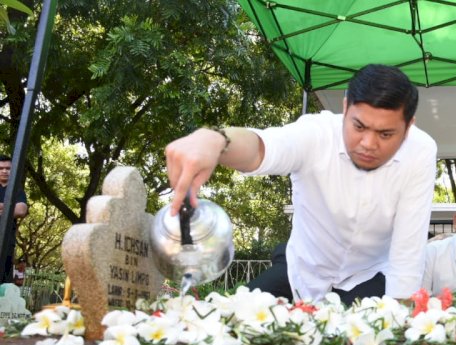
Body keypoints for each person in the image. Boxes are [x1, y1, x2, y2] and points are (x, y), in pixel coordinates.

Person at [165, 64, 437, 305]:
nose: (368, 144)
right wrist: (216, 140)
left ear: (408, 126)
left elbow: (407, 252)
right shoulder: (316, 133)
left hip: (371, 275)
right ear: (345, 108)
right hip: (301, 268)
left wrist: (401, 321)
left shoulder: (420, 152)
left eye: (385, 134)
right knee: (234, 317)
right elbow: (261, 149)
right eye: (359, 127)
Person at [0, 155, 28, 284]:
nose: (4, 171)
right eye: (1, 168)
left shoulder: (16, 190)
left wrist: (3, 208)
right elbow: (14, 209)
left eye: (8, 168)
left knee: (3, 283)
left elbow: (21, 210)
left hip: (6, 242)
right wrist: (9, 208)